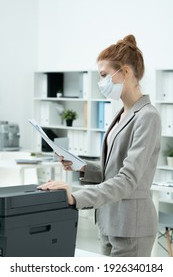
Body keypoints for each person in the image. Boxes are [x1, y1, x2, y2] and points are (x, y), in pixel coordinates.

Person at [38, 34, 161, 257]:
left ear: (124, 72)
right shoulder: (121, 114)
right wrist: (83, 167)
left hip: (131, 227)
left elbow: (128, 180)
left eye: (104, 75)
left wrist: (76, 197)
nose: (100, 82)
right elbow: (114, 170)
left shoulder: (147, 116)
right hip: (109, 222)